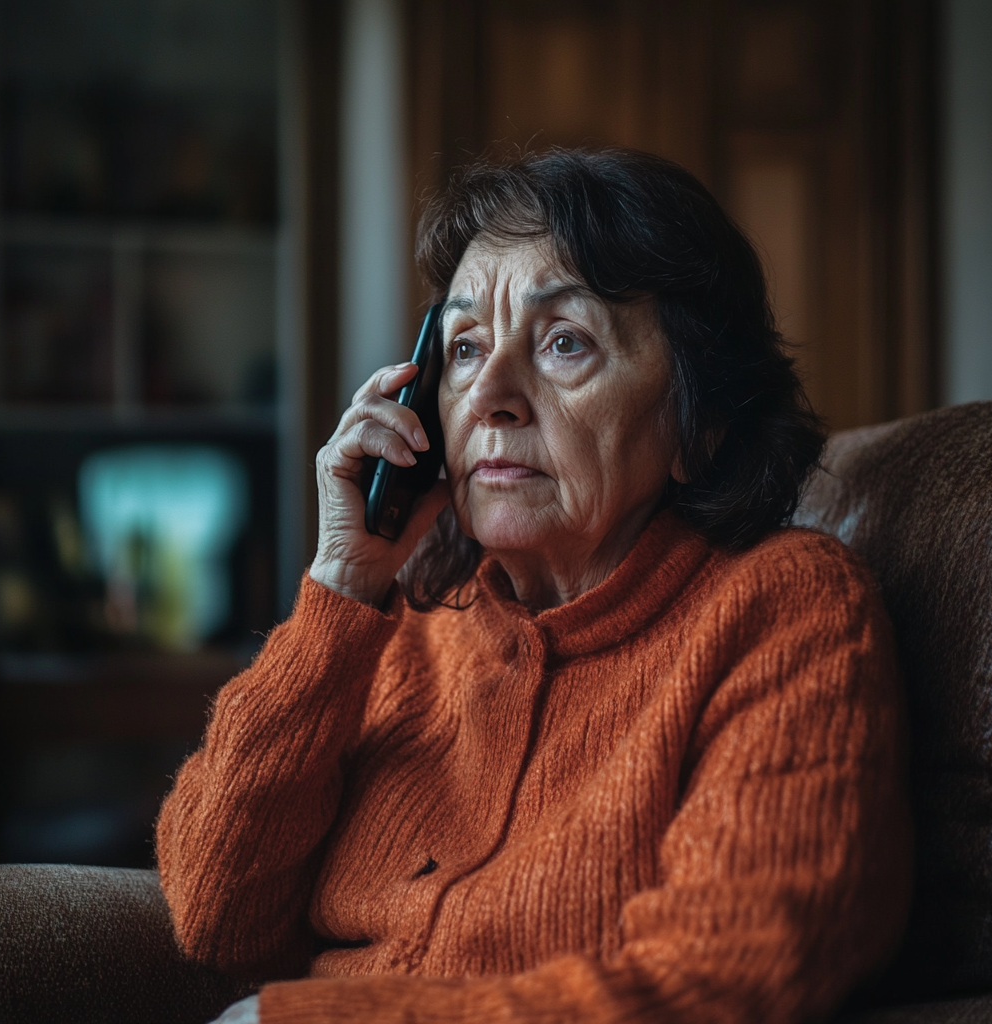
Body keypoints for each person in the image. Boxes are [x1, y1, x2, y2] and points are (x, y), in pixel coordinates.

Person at [157, 148, 912, 1024]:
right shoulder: (407, 627)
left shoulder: (788, 611)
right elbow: (214, 911)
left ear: (700, 424)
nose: (491, 397)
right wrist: (339, 592)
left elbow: (731, 972)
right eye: (466, 348)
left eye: (565, 344)